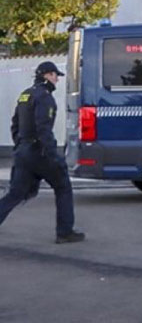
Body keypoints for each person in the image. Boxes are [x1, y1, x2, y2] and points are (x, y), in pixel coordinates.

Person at [0, 61, 84, 243]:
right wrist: (54, 156)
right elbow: (43, 129)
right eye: (55, 76)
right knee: (63, 187)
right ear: (47, 75)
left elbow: (15, 124)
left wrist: (20, 146)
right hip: (40, 152)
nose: (57, 80)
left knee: (15, 193)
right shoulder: (45, 97)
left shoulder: (25, 94)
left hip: (23, 151)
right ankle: (65, 232)